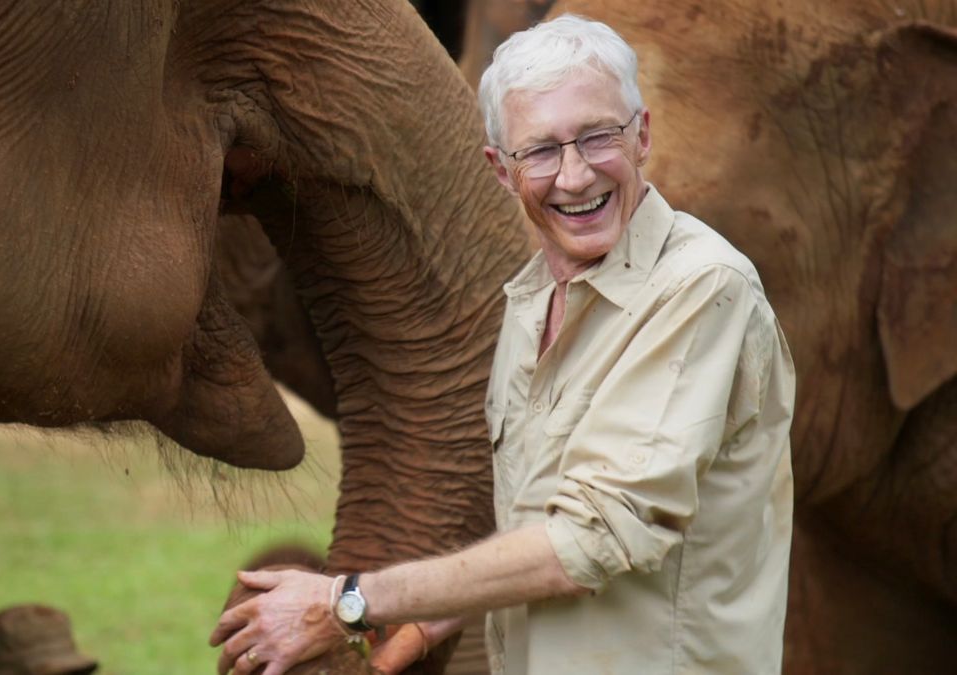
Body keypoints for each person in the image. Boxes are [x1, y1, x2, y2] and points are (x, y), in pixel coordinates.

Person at [209, 13, 795, 675]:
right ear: (499, 169)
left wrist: (348, 599)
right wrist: (427, 623)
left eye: (598, 137)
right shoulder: (530, 301)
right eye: (541, 151)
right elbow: (536, 518)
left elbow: (591, 539)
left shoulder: (701, 290)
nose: (574, 176)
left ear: (642, 137)